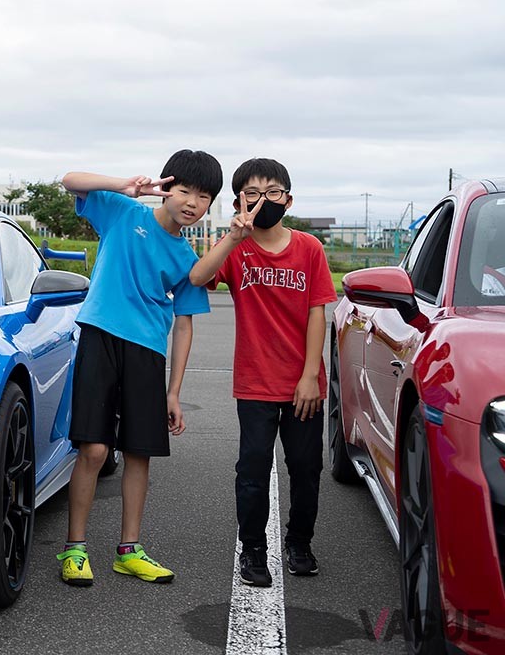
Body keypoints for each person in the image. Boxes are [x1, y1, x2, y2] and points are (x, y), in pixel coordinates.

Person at [57, 150, 222, 586]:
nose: (191, 202)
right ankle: (74, 549)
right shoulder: (123, 211)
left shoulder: (189, 259)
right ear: (167, 187)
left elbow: (184, 326)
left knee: (138, 453)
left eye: (203, 197)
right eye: (184, 189)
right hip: (100, 336)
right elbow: (69, 179)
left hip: (148, 351)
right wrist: (122, 184)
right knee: (93, 449)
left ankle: (129, 551)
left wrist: (174, 392)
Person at [188, 158, 337, 588]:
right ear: (238, 200)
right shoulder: (238, 249)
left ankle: (299, 542)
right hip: (255, 382)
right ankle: (252, 549)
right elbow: (198, 276)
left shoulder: (309, 248)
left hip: (303, 383)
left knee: (307, 467)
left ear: (288, 199)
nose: (261, 201)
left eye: (272, 192)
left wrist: (311, 375)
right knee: (251, 469)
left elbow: (316, 313)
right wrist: (233, 237)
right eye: (251, 193)